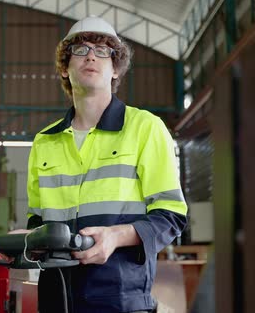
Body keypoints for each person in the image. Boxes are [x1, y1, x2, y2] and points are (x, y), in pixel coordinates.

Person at [26, 16, 188, 313]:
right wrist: (31, 240)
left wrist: (115, 236)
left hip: (121, 299)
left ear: (116, 69)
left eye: (103, 51)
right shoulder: (44, 141)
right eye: (81, 49)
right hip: (56, 298)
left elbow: (171, 216)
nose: (91, 55)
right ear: (65, 67)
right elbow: (36, 219)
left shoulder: (144, 128)